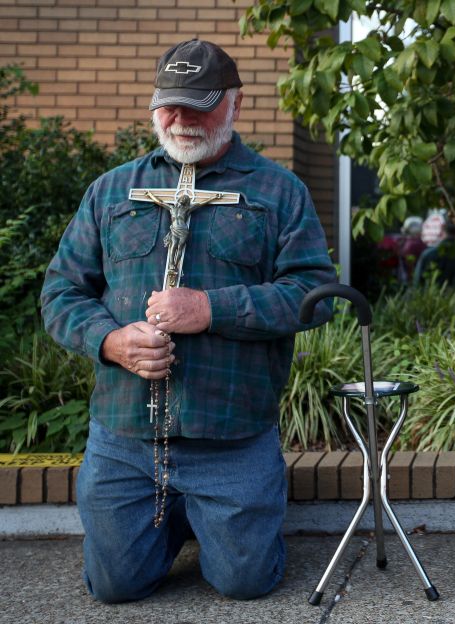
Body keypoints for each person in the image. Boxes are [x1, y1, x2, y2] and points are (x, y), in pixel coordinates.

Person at [40, 39, 337, 602]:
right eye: (168, 105)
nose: (180, 120)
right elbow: (62, 292)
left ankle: (213, 516)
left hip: (231, 435)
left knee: (244, 583)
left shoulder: (279, 192)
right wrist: (109, 340)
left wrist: (211, 309)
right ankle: (177, 519)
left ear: (236, 104)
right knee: (115, 587)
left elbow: (313, 295)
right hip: (125, 434)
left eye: (197, 104)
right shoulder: (111, 191)